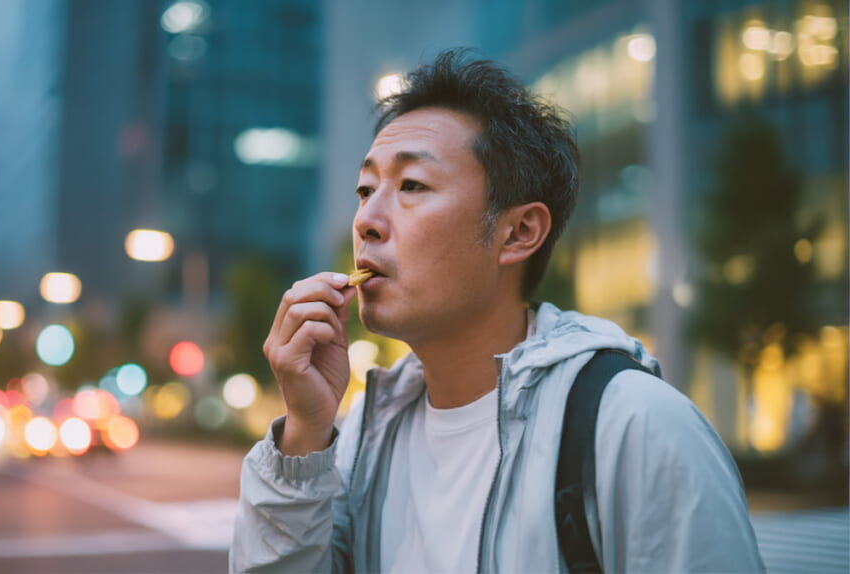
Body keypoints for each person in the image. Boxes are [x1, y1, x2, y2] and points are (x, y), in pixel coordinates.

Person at [230, 48, 764, 573]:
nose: (367, 219)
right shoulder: (366, 436)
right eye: (365, 189)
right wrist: (305, 431)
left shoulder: (637, 425)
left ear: (518, 233)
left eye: (412, 185)